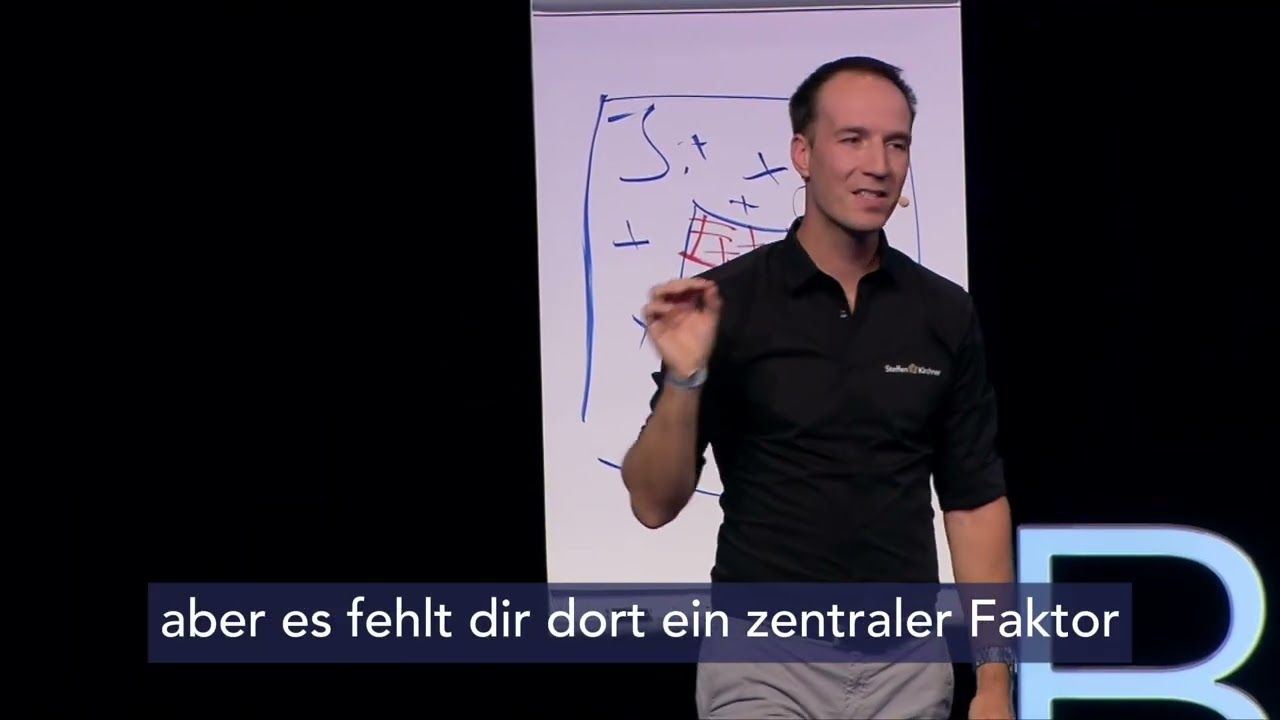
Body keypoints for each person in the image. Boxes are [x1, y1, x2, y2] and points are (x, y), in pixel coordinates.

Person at [619, 56, 1016, 719]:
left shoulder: (944, 312)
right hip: (762, 662)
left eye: (896, 144)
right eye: (852, 139)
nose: (878, 165)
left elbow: (973, 502)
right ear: (802, 154)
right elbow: (653, 502)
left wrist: (995, 680)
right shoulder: (727, 303)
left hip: (906, 669)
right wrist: (686, 378)